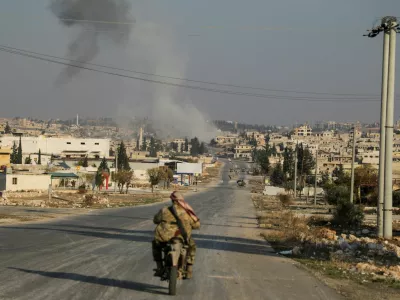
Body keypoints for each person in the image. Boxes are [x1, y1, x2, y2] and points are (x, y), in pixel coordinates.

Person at [152, 191, 200, 279]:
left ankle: (159, 267)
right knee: (192, 246)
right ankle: (189, 269)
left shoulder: (164, 210)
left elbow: (155, 220)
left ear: (172, 200)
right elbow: (196, 225)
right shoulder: (187, 212)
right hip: (181, 237)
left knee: (156, 244)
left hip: (164, 237)